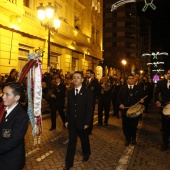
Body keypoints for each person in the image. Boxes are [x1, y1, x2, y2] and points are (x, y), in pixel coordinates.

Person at [64, 71, 94, 170]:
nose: (76, 79)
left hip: (83, 122)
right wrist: (67, 120)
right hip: (72, 122)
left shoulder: (88, 92)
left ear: (82, 79)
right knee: (71, 142)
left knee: (84, 139)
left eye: (78, 77)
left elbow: (90, 109)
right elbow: (68, 108)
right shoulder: (70, 92)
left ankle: (86, 153)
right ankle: (69, 163)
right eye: (74, 77)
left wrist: (87, 122)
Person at [0, 82, 29, 170]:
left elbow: (13, 140)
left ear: (17, 98)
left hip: (11, 161)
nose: (3, 96)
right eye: (3, 93)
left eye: (7, 94)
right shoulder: (5, 110)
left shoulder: (21, 115)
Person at [118, 74, 144, 146]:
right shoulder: (122, 88)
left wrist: (142, 100)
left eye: (132, 78)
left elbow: (143, 97)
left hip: (135, 110)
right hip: (125, 110)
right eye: (129, 78)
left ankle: (133, 138)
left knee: (133, 125)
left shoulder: (138, 88)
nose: (131, 80)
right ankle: (127, 138)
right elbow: (118, 98)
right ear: (127, 80)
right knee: (125, 125)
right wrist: (120, 104)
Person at [154, 69, 170, 151]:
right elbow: (156, 93)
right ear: (166, 74)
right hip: (165, 107)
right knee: (165, 126)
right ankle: (165, 143)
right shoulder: (161, 83)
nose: (169, 74)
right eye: (168, 73)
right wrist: (157, 101)